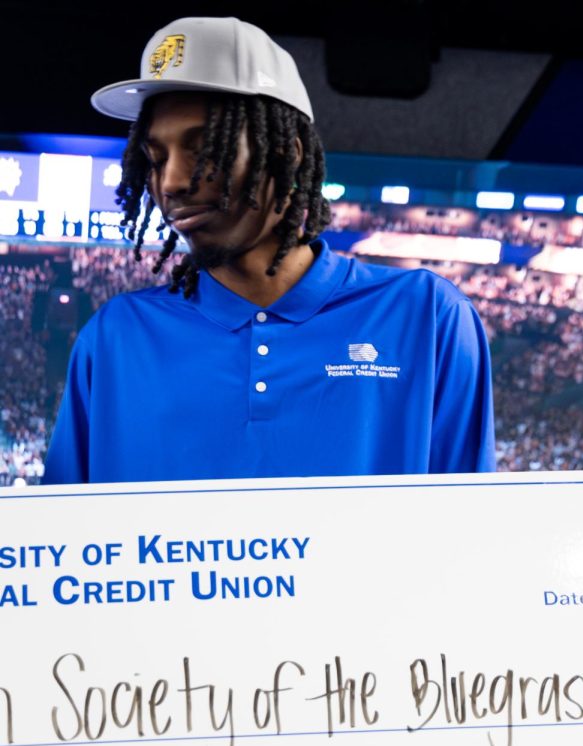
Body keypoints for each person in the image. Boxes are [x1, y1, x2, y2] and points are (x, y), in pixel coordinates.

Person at [43, 17, 494, 483]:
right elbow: (59, 541)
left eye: (204, 151)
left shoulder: (428, 317)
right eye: (155, 160)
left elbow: (470, 534)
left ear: (289, 153)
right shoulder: (115, 336)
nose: (172, 183)